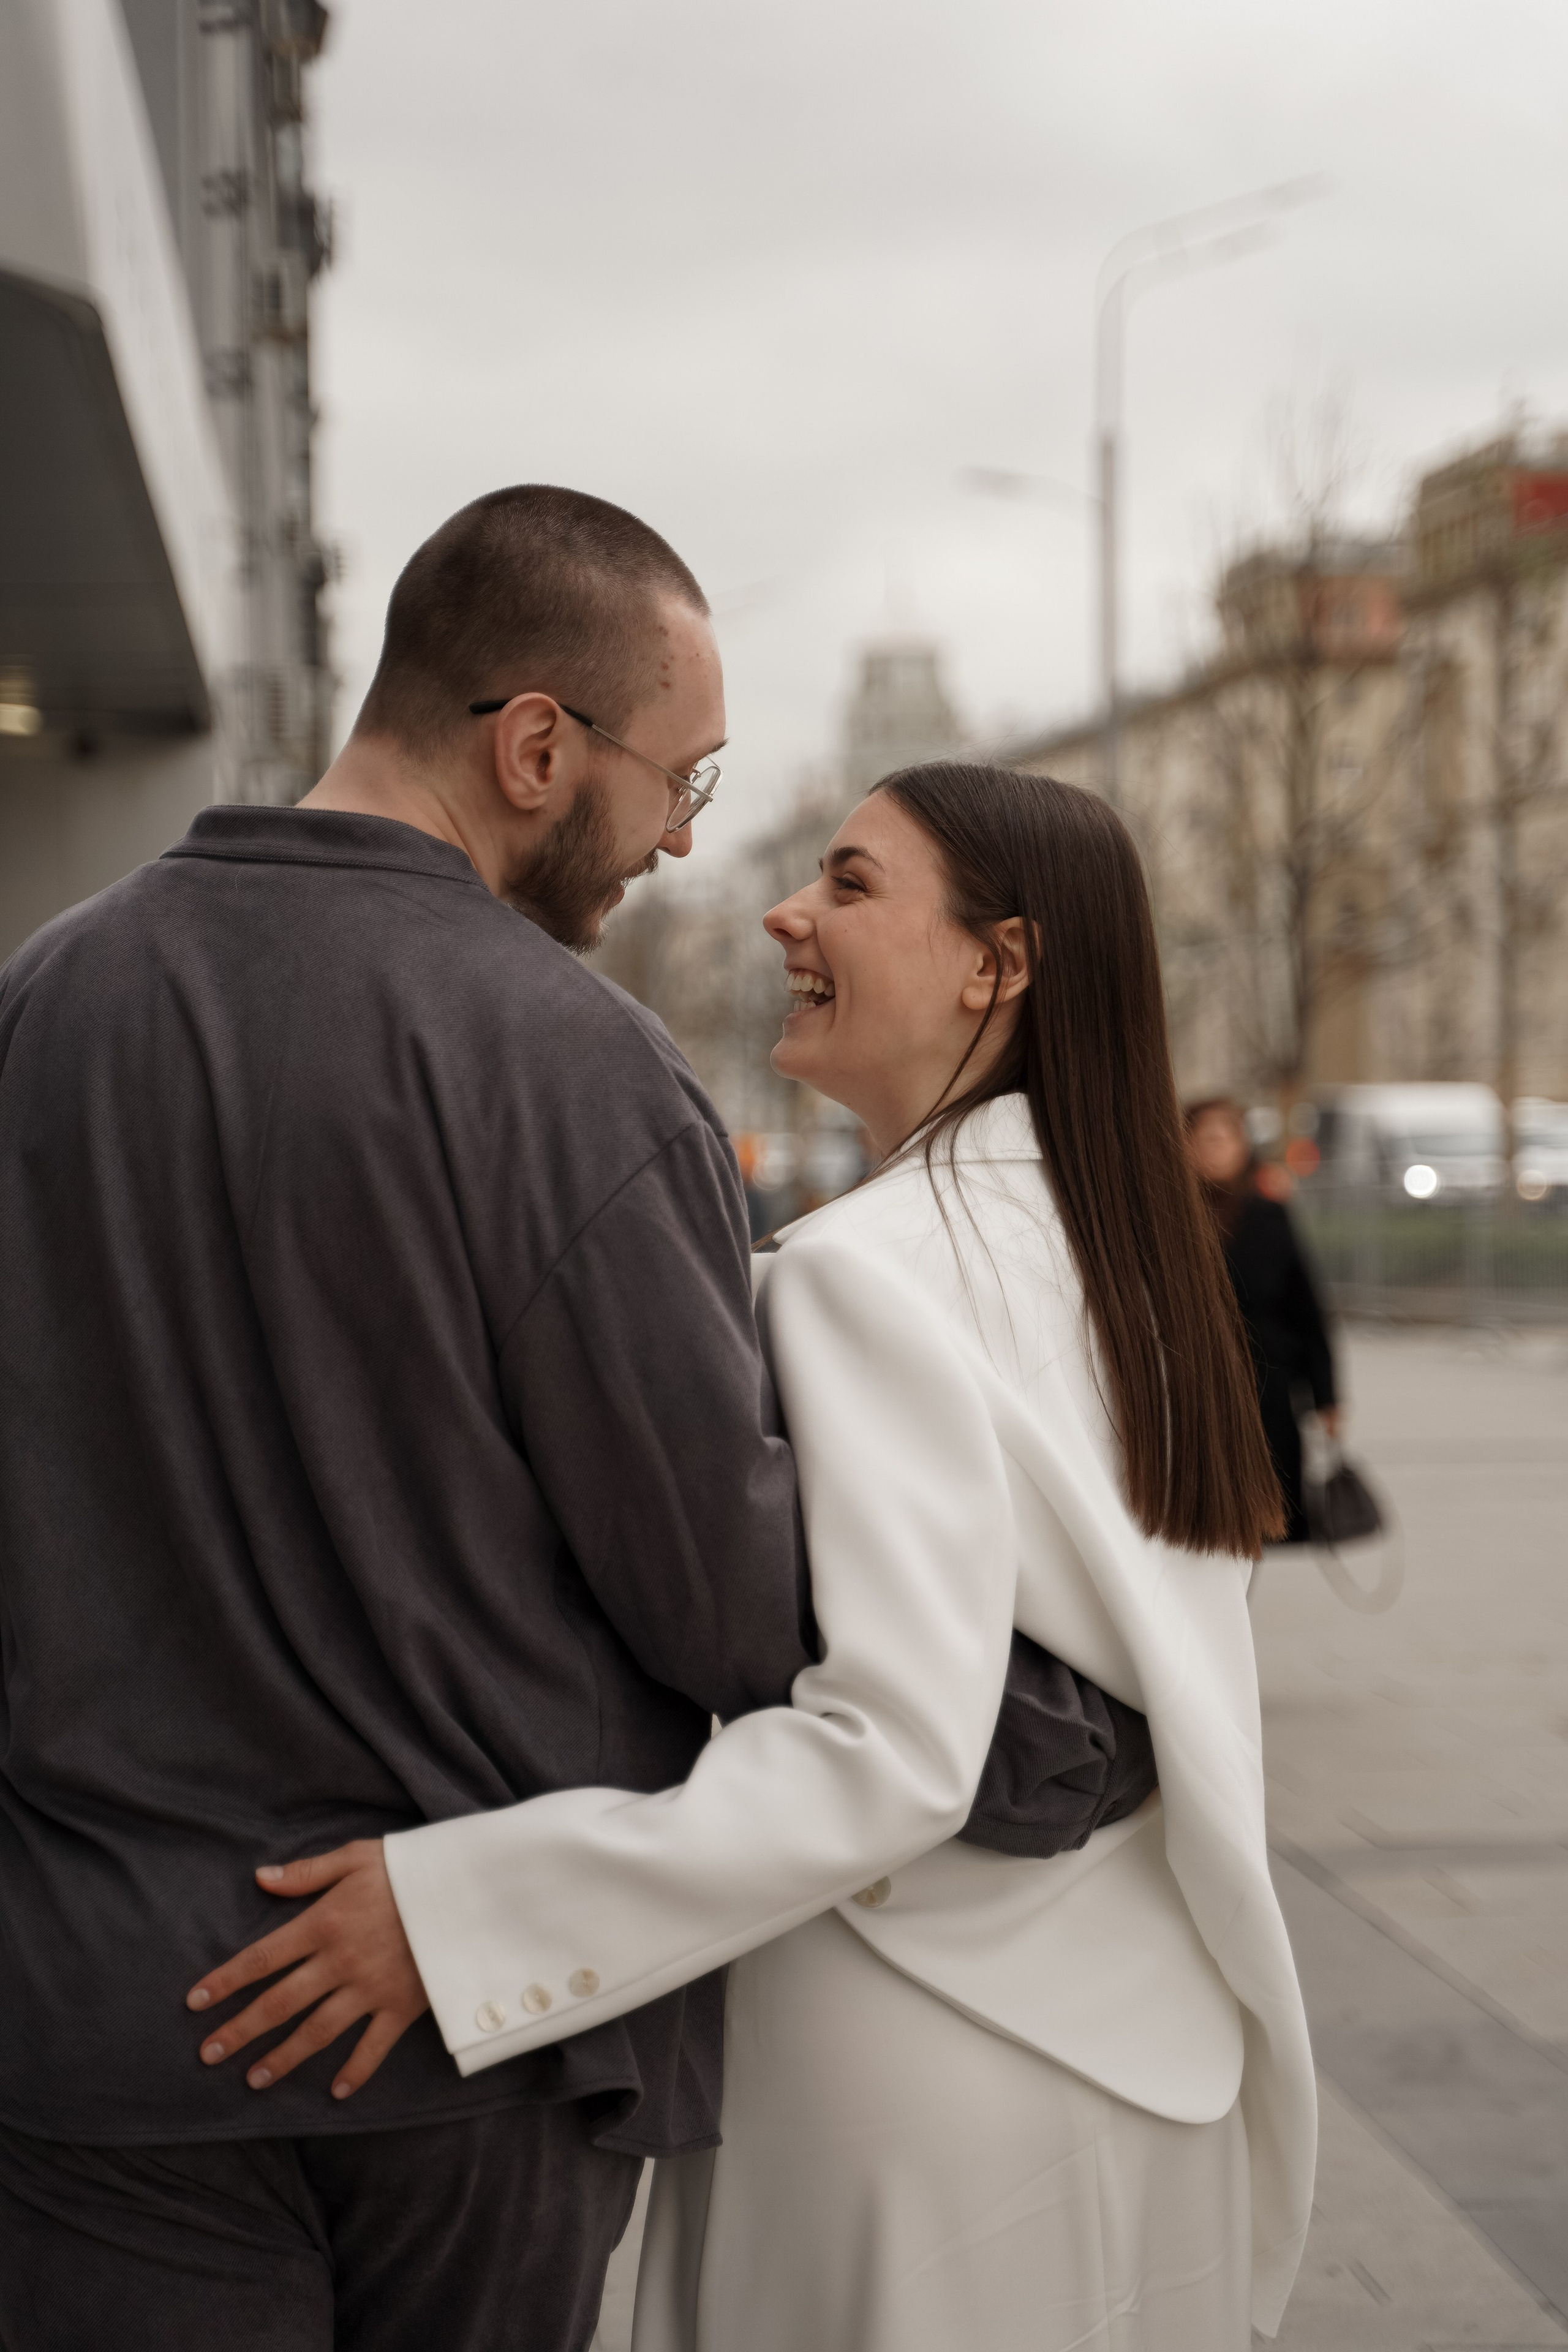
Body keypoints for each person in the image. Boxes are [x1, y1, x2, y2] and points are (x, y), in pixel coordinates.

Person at [0, 491, 1139, 2351]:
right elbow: (714, 1582)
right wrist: (1053, 1742)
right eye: (677, 782)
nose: (680, 840)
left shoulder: (42, 1001)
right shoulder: (569, 1064)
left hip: (93, 2014)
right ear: (535, 745)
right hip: (452, 2052)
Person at [195, 765, 1317, 2348]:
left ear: (997, 964)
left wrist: (463, 1917)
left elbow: (890, 1754)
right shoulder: (1130, 1260)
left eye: (849, 885)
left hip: (923, 2069)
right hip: (1156, 2047)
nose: (785, 913)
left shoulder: (864, 1272)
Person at [1185, 1097, 1340, 1543]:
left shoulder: (1269, 1213)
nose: (1216, 1146)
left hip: (1266, 1386)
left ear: (1243, 1145)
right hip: (1192, 1388)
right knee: (1200, 1519)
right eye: (1206, 1136)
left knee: (1258, 1520)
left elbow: (1305, 1306)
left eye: (1226, 1136)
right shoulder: (1169, 1216)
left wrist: (1327, 1396)